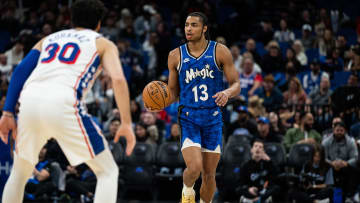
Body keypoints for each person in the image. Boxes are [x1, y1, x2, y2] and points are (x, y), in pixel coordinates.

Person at [0, 1, 136, 203]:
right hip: (63, 101)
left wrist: (7, 112)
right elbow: (117, 79)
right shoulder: (102, 43)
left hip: (29, 101)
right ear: (99, 24)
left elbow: (20, 71)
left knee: (20, 173)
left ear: (71, 21)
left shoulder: (49, 39)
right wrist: (126, 122)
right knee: (107, 171)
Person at [146, 12, 240, 203]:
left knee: (209, 175)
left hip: (213, 118)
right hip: (189, 117)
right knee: (195, 168)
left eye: (194, 25)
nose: (189, 28)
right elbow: (172, 93)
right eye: (187, 25)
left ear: (204, 28)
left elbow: (236, 84)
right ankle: (187, 189)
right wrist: (159, 104)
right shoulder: (175, 55)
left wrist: (227, 93)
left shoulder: (220, 51)